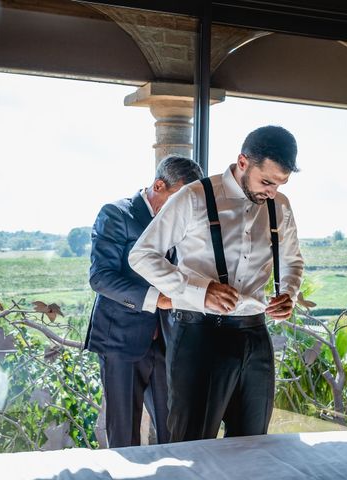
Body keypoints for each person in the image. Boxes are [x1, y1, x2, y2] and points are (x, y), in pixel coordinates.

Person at [128, 125, 304, 442]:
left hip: (255, 334)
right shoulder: (194, 198)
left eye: (280, 183)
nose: (272, 192)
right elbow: (142, 255)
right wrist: (200, 290)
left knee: (253, 444)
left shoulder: (281, 206)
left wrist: (288, 291)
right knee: (193, 445)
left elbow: (292, 259)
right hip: (198, 334)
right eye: (266, 181)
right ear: (242, 162)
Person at [84, 155, 202, 448]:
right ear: (159, 185)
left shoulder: (182, 224)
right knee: (124, 438)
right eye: (181, 199)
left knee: (175, 435)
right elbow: (100, 278)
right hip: (120, 342)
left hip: (167, 342)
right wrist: (155, 298)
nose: (185, 210)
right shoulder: (115, 214)